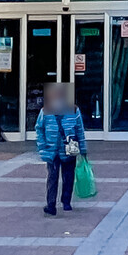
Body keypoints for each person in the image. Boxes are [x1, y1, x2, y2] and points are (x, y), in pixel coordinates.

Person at [35, 82, 86, 216]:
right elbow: (39, 128)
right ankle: (51, 204)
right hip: (52, 150)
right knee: (52, 177)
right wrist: (42, 146)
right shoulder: (45, 111)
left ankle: (66, 201)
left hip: (69, 149)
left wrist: (83, 148)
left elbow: (79, 130)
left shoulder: (74, 110)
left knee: (68, 176)